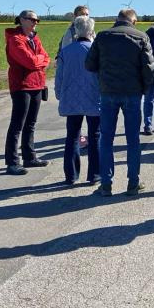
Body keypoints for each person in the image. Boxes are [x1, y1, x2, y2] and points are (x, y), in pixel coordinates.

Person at [85, 8, 154, 196]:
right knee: (133, 139)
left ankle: (106, 183)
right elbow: (149, 68)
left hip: (108, 92)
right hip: (133, 93)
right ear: (134, 21)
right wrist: (144, 89)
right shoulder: (141, 37)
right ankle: (133, 182)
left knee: (106, 138)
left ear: (117, 19)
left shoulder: (102, 36)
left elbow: (89, 64)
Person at [55, 16, 102, 186]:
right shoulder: (96, 50)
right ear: (91, 31)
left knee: (72, 137)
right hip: (93, 98)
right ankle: (95, 174)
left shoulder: (65, 51)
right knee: (95, 136)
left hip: (71, 99)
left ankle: (71, 175)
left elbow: (59, 76)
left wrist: (60, 94)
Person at [4, 10, 50, 175]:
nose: (35, 22)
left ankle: (29, 157)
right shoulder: (15, 40)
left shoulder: (34, 38)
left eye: (37, 20)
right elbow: (30, 61)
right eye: (31, 19)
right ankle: (12, 162)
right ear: (21, 20)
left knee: (31, 123)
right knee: (17, 124)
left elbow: (47, 57)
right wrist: (39, 60)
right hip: (21, 86)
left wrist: (39, 60)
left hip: (37, 84)